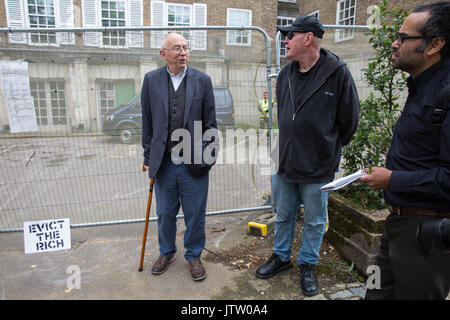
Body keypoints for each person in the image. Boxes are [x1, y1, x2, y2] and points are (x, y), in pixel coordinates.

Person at [255, 15, 360, 297]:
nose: (285, 40)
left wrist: (325, 148)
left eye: (290, 35)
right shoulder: (287, 73)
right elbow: (283, 115)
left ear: (308, 38)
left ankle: (308, 264)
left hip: (318, 166)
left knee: (314, 220)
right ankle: (280, 257)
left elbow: (349, 121)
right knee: (284, 213)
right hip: (284, 160)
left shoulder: (337, 73)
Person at [359, 2, 450, 300]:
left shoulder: (445, 94)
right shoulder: (419, 86)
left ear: (434, 44)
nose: (394, 44)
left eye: (403, 37)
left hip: (426, 235)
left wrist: (392, 179)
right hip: (397, 224)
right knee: (374, 294)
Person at [141, 33, 217, 281]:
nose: (183, 53)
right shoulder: (151, 80)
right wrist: (147, 155)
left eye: (185, 48)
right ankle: (167, 252)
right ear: (164, 54)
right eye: (177, 49)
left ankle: (194, 256)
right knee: (165, 212)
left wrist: (206, 159)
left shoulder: (202, 81)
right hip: (163, 162)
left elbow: (211, 126)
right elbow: (148, 123)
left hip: (193, 162)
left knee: (195, 212)